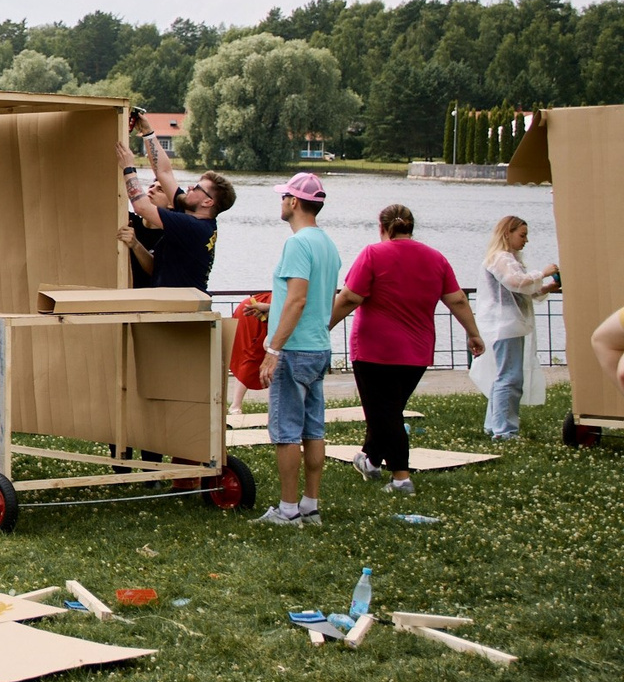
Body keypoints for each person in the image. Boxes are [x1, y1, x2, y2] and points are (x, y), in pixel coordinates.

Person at [331, 205, 484, 494]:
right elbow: (458, 300)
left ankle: (401, 478)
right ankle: (371, 459)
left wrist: (323, 326)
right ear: (411, 227)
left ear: (382, 227)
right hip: (417, 351)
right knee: (388, 410)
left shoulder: (373, 254)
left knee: (386, 415)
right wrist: (473, 334)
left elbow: (350, 296)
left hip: (375, 349)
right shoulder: (436, 258)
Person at [256, 174, 341, 528]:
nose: (281, 204)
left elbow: (298, 299)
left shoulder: (297, 244)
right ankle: (310, 505)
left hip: (294, 350)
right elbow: (316, 297)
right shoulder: (327, 243)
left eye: (283, 198)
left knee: (286, 431)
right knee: (313, 429)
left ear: (293, 202)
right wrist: (267, 310)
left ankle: (287, 510)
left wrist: (273, 349)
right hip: (319, 347)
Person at [474, 216, 559, 441]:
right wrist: (543, 273)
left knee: (504, 376)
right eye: (522, 235)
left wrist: (548, 286)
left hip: (507, 326)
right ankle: (504, 430)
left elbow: (523, 290)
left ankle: (494, 424)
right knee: (510, 378)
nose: (526, 240)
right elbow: (516, 282)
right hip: (505, 325)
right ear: (507, 234)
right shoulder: (501, 258)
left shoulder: (507, 258)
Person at [117, 137, 235, 290]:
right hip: (178, 302)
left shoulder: (192, 227)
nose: (190, 187)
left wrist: (128, 167)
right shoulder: (191, 214)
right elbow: (164, 172)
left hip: (183, 308)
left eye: (197, 188)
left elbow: (141, 207)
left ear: (207, 202)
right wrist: (147, 132)